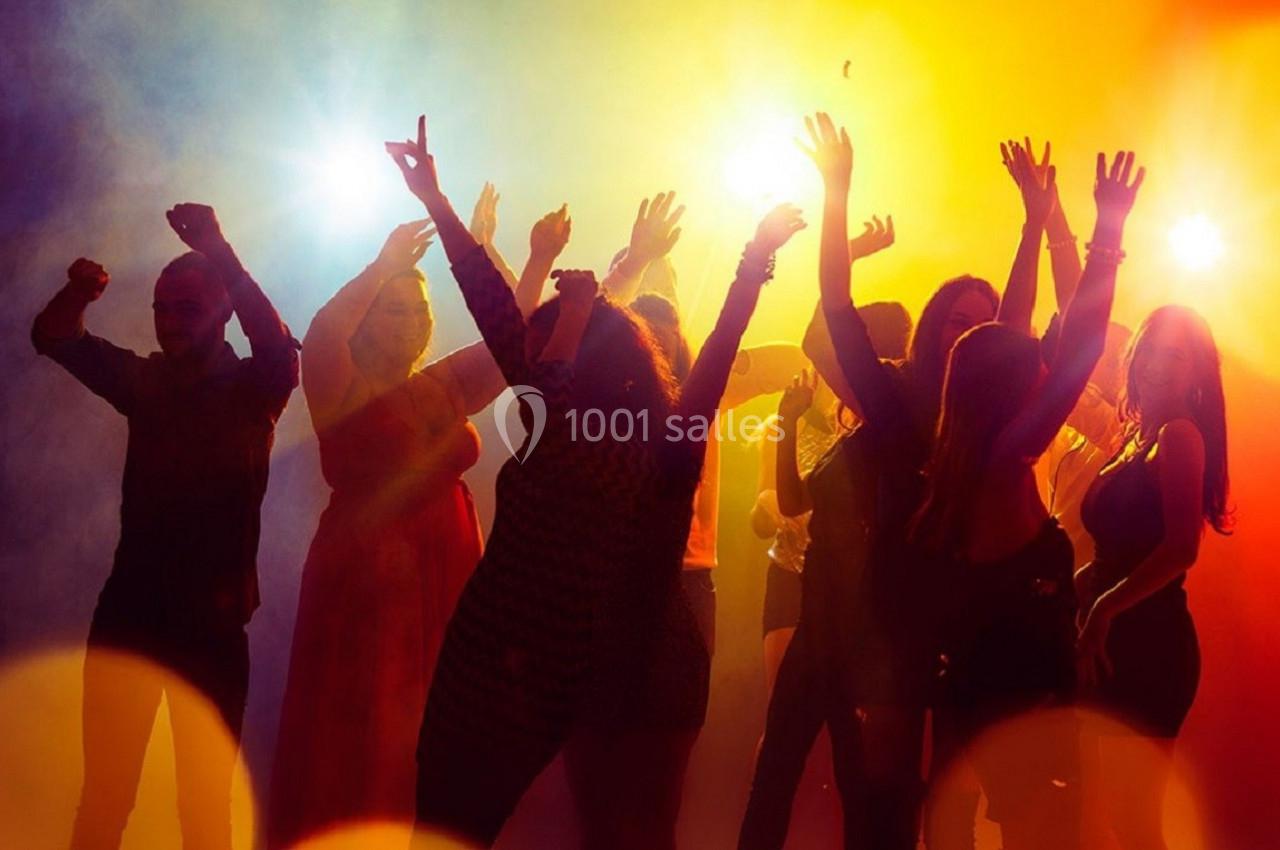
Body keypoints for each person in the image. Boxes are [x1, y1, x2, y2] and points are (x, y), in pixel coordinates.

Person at [385, 115, 805, 848]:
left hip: (545, 660)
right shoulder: (597, 423)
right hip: (519, 656)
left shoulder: (600, 427)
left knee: (473, 827)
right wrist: (436, 202)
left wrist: (440, 202)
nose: (541, 348)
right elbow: (496, 313)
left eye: (559, 336)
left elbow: (717, 349)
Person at [266, 206, 570, 847]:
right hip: (368, 581)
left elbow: (508, 337)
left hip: (448, 575)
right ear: (368, 319)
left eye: (417, 310)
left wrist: (539, 257)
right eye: (393, 309)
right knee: (369, 731)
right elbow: (322, 333)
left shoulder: (442, 385)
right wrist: (383, 268)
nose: (409, 321)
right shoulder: (339, 384)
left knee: (439, 729)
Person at [741, 112, 998, 850]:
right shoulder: (886, 402)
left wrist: (1045, 232)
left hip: (890, 628)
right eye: (954, 321)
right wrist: (837, 195)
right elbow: (831, 317)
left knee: (874, 795)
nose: (967, 335)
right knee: (778, 777)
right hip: (824, 610)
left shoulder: (975, 423)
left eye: (980, 327)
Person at [31, 204, 299, 850]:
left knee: (204, 809)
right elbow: (51, 336)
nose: (171, 321)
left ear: (223, 309)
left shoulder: (254, 386)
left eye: (188, 307)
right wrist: (78, 291)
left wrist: (220, 249)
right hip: (131, 618)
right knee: (106, 798)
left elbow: (275, 343)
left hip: (210, 630)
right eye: (162, 307)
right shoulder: (147, 381)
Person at [913, 145, 1145, 850]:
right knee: (1039, 832)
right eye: (1031, 371)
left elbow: (1002, 341)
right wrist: (1106, 235)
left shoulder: (963, 453)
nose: (1044, 371)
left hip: (974, 673)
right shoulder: (1009, 454)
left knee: (952, 812)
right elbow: (1080, 352)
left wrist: (1037, 224)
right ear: (1011, 390)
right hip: (1022, 682)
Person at [1076, 305, 1231, 850]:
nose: (1160, 364)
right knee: (1112, 818)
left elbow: (1180, 548)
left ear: (1196, 373)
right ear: (1134, 355)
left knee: (1135, 823)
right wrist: (1068, 591)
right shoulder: (1131, 437)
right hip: (1114, 637)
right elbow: (1117, 551)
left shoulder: (1180, 434)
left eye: (1177, 354)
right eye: (1153, 349)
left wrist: (1102, 609)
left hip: (1151, 643)